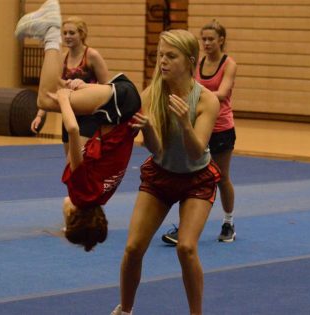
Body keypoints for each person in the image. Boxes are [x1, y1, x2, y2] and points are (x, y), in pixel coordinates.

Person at [15, 0, 141, 251]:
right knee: (46, 97)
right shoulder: (82, 192)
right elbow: (72, 130)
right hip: (118, 108)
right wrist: (63, 102)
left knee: (54, 93)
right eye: (68, 217)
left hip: (125, 109)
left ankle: (48, 35)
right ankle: (50, 32)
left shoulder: (101, 196)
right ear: (74, 215)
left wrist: (87, 89)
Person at [111, 29, 220, 315]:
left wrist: (185, 122)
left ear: (190, 61)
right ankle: (126, 310)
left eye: (171, 56)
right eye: (161, 55)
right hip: (161, 176)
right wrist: (147, 127)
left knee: (186, 248)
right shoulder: (152, 93)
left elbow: (197, 152)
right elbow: (157, 150)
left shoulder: (207, 100)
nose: (163, 61)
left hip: (196, 179)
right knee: (133, 248)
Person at [162, 20, 237, 245]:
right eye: (203, 39)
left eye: (210, 39)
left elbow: (222, 93)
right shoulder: (198, 63)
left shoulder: (228, 64)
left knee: (221, 178)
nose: (206, 43)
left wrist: (198, 93)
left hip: (222, 128)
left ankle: (228, 222)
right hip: (198, 125)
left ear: (221, 40)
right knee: (190, 177)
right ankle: (185, 226)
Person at [30, 16, 109, 155]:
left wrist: (85, 86)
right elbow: (52, 88)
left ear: (82, 34)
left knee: (78, 159)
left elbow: (107, 88)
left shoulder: (91, 56)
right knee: (70, 162)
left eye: (72, 33)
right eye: (65, 33)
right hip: (69, 113)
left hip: (88, 115)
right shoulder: (62, 59)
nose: (67, 36)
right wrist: (39, 115)